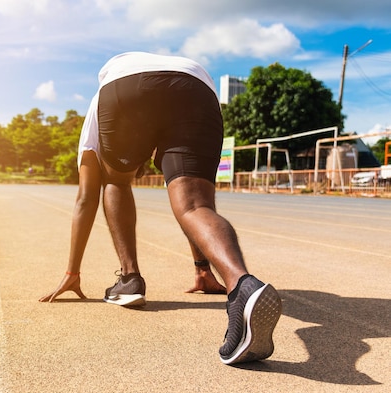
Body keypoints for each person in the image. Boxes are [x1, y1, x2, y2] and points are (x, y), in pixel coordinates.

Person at [39, 52, 281, 365]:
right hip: (197, 85)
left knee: (116, 181)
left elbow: (87, 198)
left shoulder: (96, 113)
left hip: (126, 84)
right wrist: (202, 269)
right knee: (194, 203)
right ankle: (241, 284)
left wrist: (72, 272)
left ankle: (130, 278)